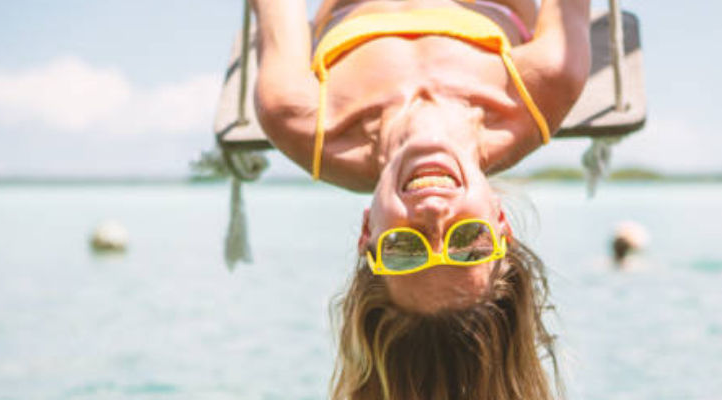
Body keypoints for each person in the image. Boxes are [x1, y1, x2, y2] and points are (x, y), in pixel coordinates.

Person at [248, 0, 590, 398]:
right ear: (500, 222)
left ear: (366, 234)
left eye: (405, 247)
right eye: (468, 242)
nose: (433, 212)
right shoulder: (541, 89)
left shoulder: (299, 116)